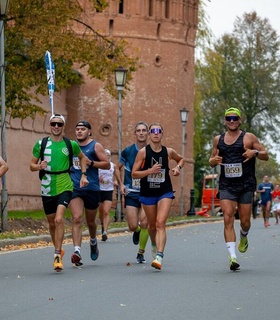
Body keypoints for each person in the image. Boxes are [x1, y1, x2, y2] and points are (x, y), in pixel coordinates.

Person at [209, 107, 268, 271]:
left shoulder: (248, 137)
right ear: (225, 120)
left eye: (235, 118)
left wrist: (254, 152)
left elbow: (266, 154)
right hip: (227, 184)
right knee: (227, 217)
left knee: (245, 222)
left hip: (246, 184)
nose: (232, 121)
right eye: (229, 118)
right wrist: (213, 161)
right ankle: (232, 257)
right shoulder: (218, 139)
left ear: (240, 120)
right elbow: (212, 159)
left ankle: (244, 235)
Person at [30, 114, 88, 272]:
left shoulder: (70, 144)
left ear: (63, 126)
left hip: (65, 184)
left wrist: (83, 174)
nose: (56, 127)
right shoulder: (41, 144)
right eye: (53, 124)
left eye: (59, 124)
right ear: (50, 126)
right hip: (47, 185)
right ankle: (58, 247)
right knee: (51, 222)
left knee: (58, 219)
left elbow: (83, 158)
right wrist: (39, 167)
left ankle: (57, 255)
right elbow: (31, 166)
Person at [132, 123, 184, 270]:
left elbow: (181, 159)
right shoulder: (143, 152)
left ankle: (159, 256)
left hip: (164, 191)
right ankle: (154, 244)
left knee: (161, 223)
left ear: (162, 134)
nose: (155, 133)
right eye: (153, 131)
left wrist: (177, 168)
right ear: (149, 134)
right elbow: (134, 173)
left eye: (158, 131)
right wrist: (150, 171)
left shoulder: (168, 152)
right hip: (148, 193)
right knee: (152, 225)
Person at [69, 120, 110, 266]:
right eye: (78, 129)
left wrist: (91, 163)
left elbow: (107, 164)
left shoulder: (95, 146)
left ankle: (93, 241)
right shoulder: (72, 146)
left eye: (83, 129)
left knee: (91, 222)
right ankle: (77, 251)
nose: (79, 131)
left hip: (92, 188)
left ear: (89, 132)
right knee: (76, 218)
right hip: (75, 186)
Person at [118, 121, 150, 264]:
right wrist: (121, 184)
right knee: (132, 225)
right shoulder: (128, 151)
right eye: (139, 130)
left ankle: (141, 252)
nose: (141, 133)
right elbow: (116, 167)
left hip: (148, 192)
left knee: (144, 222)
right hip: (131, 191)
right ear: (135, 133)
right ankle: (137, 232)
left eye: (144, 130)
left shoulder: (153, 151)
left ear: (148, 133)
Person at [98, 149, 119, 241]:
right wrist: (98, 178)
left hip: (108, 190)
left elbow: (118, 176)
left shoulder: (113, 166)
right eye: (105, 155)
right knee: (101, 212)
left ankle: (105, 231)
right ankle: (103, 225)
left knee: (106, 211)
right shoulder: (98, 165)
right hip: (98, 190)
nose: (106, 156)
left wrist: (116, 181)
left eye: (108, 155)